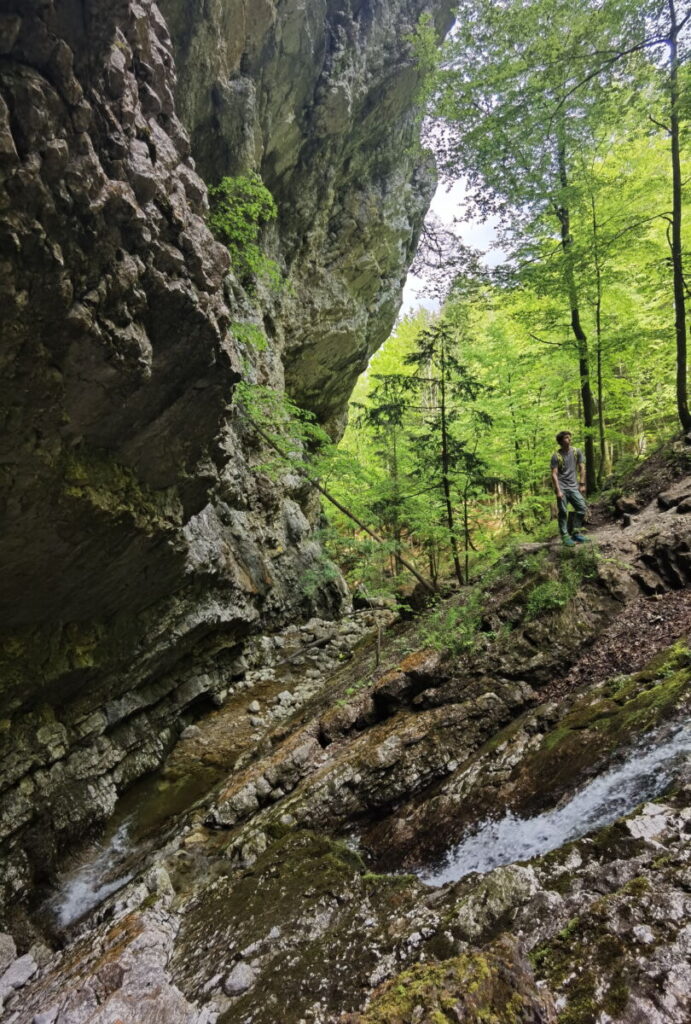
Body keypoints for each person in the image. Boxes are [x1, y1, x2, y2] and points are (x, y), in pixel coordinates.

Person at [550, 430, 588, 547]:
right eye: (566, 438)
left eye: (570, 437)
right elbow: (554, 474)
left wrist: (582, 484)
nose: (569, 439)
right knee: (563, 512)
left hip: (574, 487)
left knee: (582, 508)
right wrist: (558, 490)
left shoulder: (576, 452)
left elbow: (582, 467)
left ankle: (576, 532)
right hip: (562, 487)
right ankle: (565, 536)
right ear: (561, 441)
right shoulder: (556, 456)